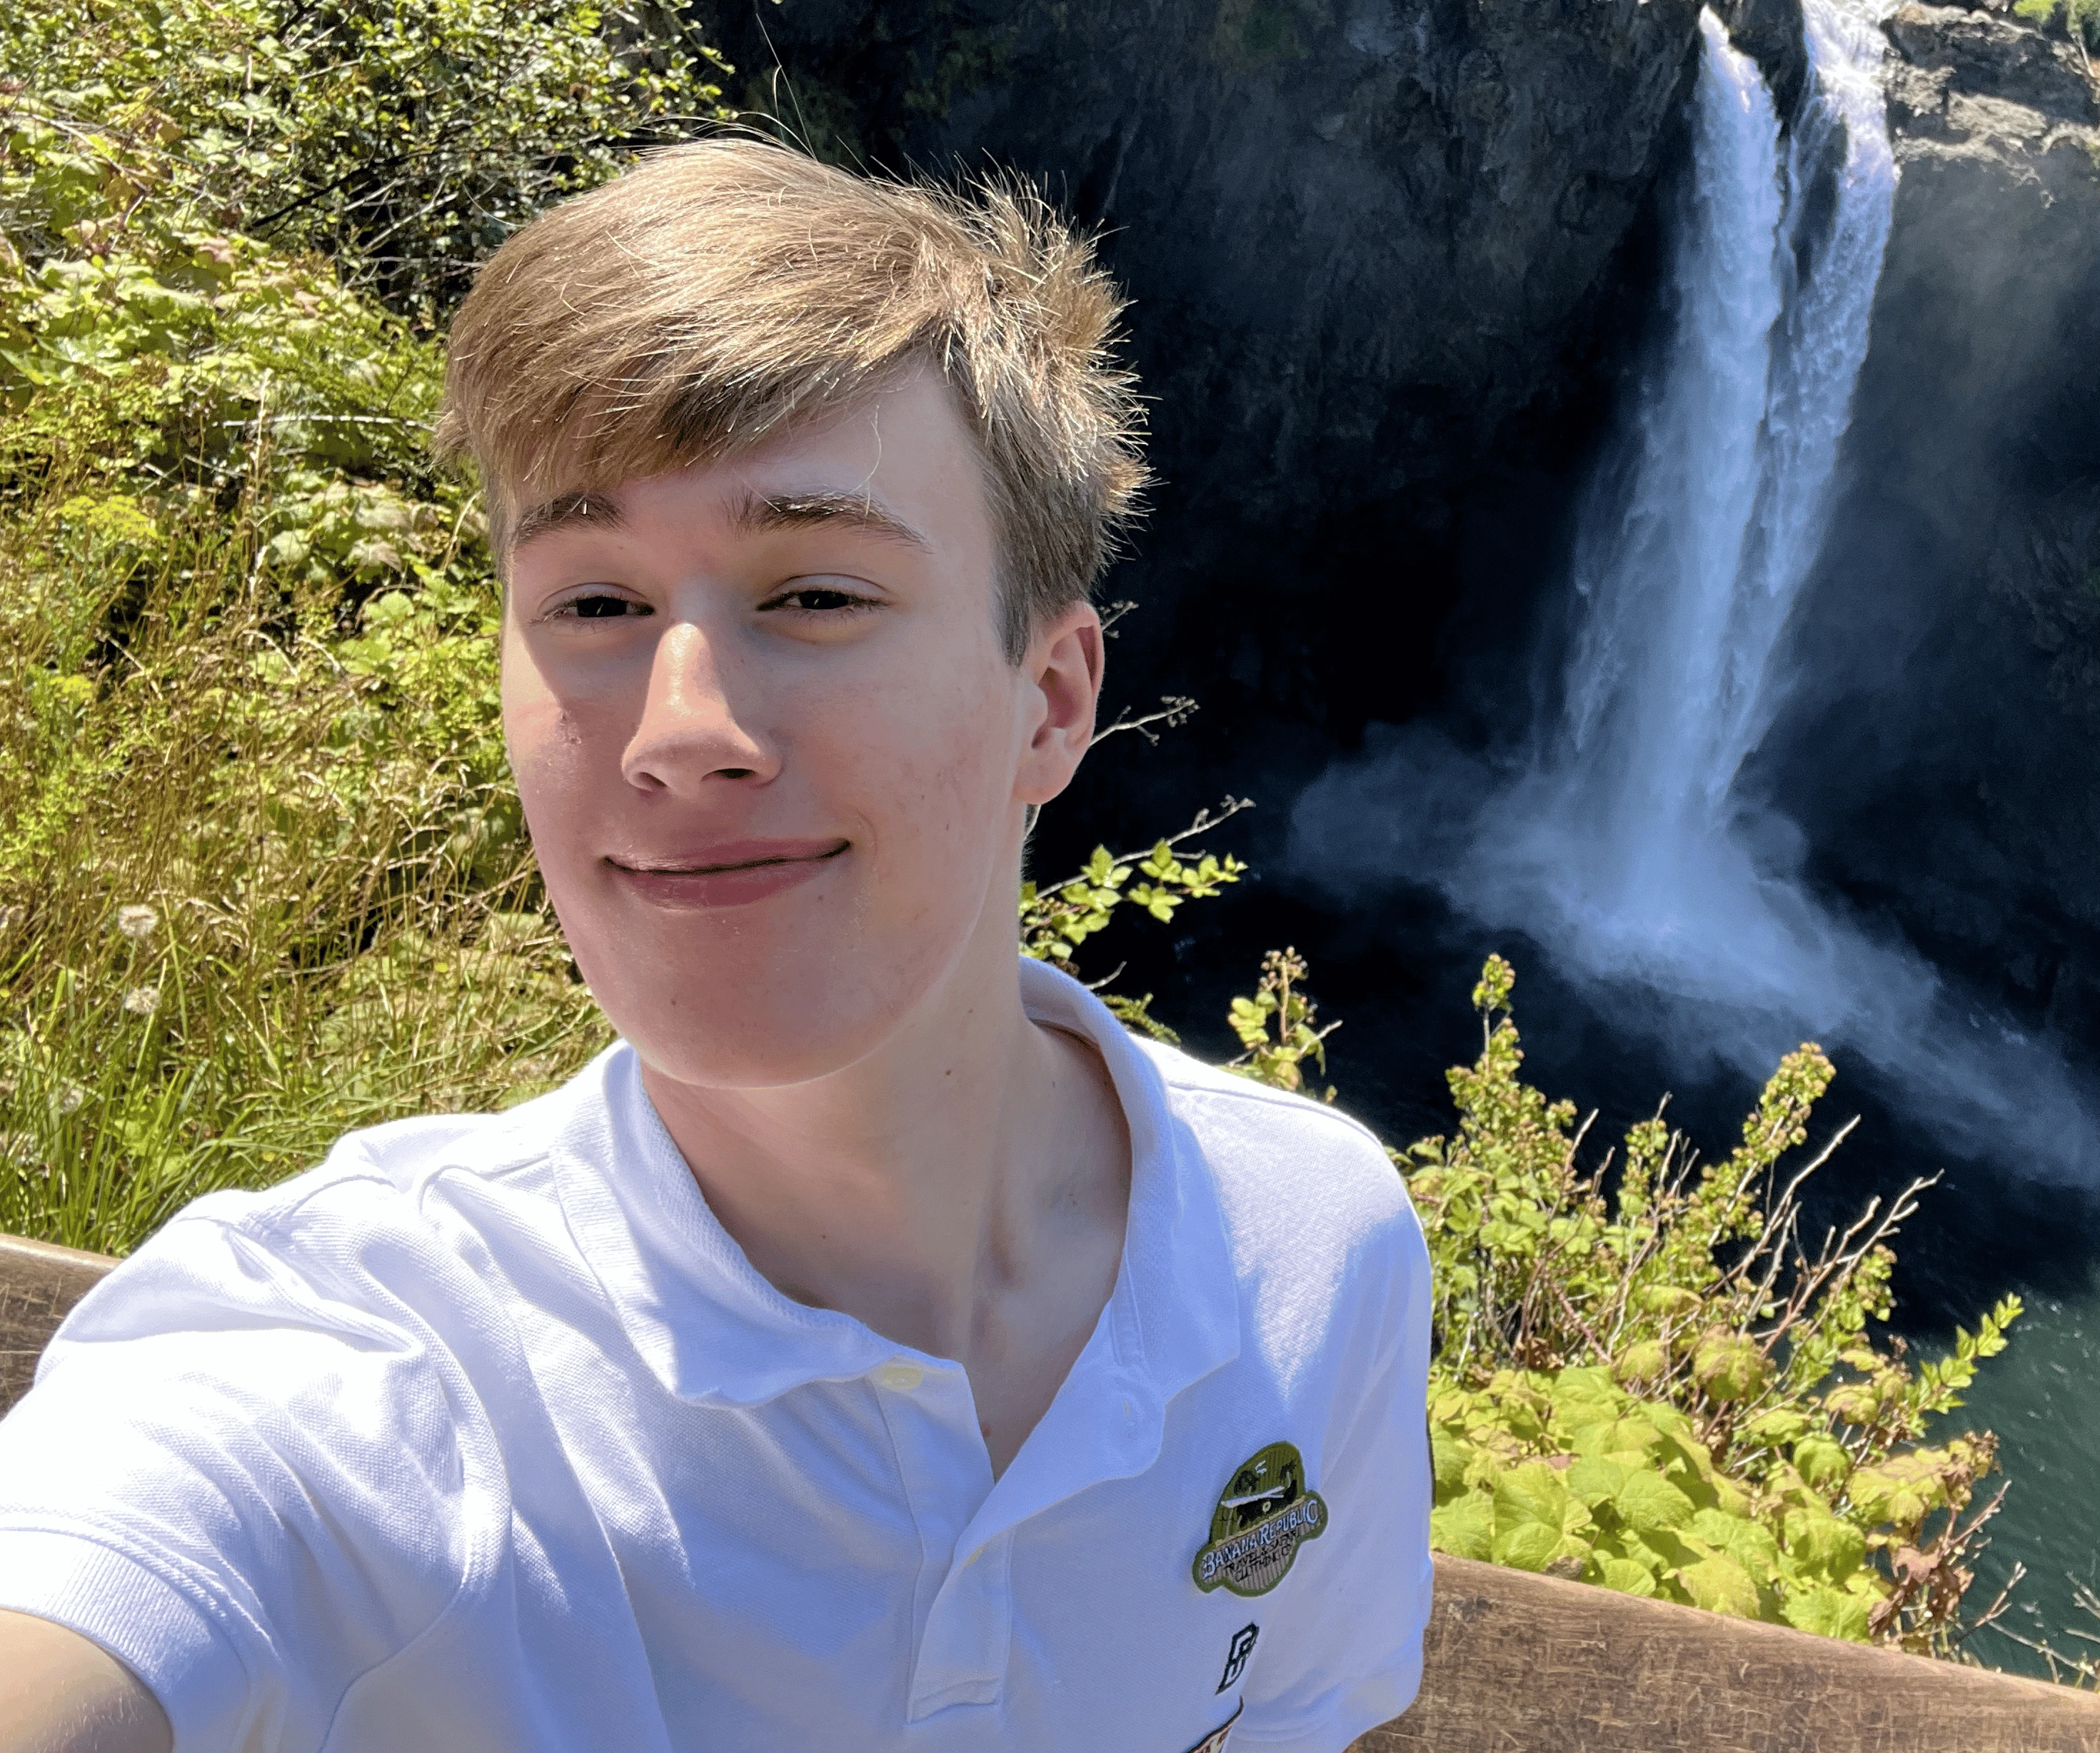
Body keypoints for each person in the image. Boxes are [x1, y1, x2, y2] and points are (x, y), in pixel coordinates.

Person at [0, 142, 1436, 1752]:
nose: (684, 731)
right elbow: (111, 1571)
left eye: (816, 594)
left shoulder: (1318, 1249)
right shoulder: (365, 1361)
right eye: (594, 604)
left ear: (1050, 697)